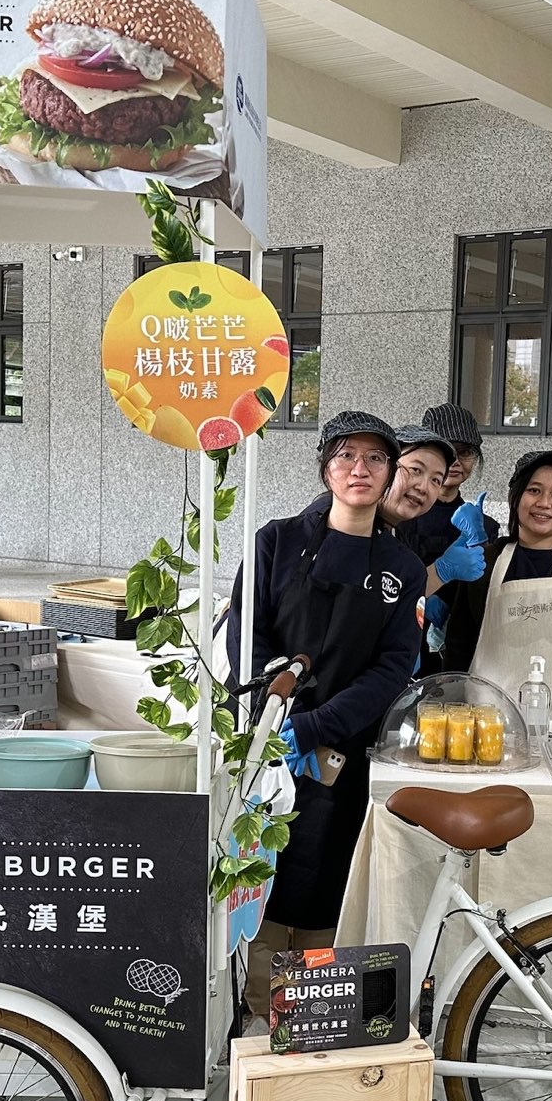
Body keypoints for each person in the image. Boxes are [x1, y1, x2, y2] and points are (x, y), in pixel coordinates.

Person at [228, 412, 425, 1012]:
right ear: (325, 468)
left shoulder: (402, 569)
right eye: (346, 457)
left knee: (325, 877)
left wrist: (315, 727)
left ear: (389, 473)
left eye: (374, 459)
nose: (359, 470)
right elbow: (248, 638)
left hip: (343, 754)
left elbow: (394, 668)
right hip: (266, 744)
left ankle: (308, 1015)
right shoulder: (277, 541)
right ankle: (255, 1010)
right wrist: (274, 714)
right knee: (260, 871)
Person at [436, 450, 552, 722]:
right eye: (534, 490)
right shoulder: (487, 560)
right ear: (515, 498)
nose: (545, 503)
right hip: (490, 721)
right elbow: (460, 642)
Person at [405, 403, 500, 558]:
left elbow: (487, 580)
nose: (455, 460)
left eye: (465, 452)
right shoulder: (401, 515)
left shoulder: (485, 526)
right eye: (446, 451)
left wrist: (482, 545)